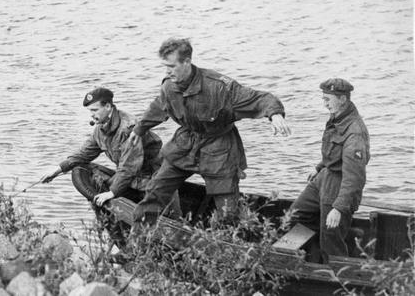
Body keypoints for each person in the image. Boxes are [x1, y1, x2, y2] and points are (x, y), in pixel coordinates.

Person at [129, 38, 291, 223]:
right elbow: (159, 106)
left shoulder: (219, 87)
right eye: (165, 66)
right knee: (157, 188)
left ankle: (229, 240)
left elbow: (260, 98)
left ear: (187, 62)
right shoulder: (169, 85)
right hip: (185, 144)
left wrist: (275, 114)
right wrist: (139, 129)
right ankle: (142, 231)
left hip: (219, 148)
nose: (167, 71)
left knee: (227, 210)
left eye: (172, 66)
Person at [40, 87, 165, 208]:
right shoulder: (101, 129)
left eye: (95, 110)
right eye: (90, 111)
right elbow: (84, 154)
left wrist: (112, 192)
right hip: (131, 180)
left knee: (167, 217)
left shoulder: (128, 128)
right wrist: (57, 170)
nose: (92, 115)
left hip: (155, 180)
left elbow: (129, 166)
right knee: (81, 169)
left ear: (108, 106)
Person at [289, 78, 370, 262]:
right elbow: (335, 152)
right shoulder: (339, 117)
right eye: (323, 99)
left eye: (328, 99)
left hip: (339, 184)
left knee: (331, 241)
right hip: (325, 176)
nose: (324, 104)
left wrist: (339, 208)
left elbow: (354, 178)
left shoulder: (354, 131)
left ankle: (339, 280)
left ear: (342, 99)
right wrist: (319, 167)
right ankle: (342, 235)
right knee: (294, 215)